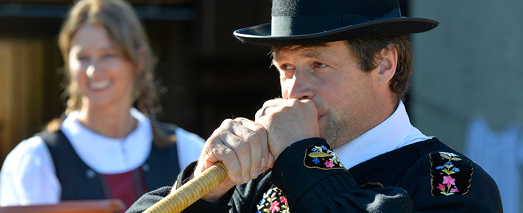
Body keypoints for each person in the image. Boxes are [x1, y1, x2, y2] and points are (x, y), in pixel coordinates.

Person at [126, 0, 503, 212]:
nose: (294, 91)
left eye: (318, 65)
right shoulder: (260, 174)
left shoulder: (452, 183)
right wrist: (203, 188)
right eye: (286, 67)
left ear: (384, 64)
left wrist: (303, 155)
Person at [0, 0, 204, 208]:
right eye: (82, 57)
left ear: (139, 59)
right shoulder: (37, 160)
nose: (93, 71)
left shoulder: (187, 151)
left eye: (108, 55)